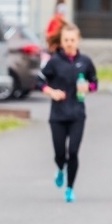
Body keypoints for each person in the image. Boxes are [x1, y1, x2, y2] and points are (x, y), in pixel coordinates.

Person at [36, 23, 98, 202]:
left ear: (78, 41)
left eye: (72, 40)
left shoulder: (85, 62)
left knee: (73, 151)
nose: (69, 44)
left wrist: (88, 87)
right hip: (58, 115)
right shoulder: (54, 61)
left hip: (77, 114)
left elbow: (95, 83)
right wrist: (51, 92)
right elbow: (39, 80)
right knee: (60, 153)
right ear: (61, 42)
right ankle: (60, 167)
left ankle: (70, 188)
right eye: (66, 40)